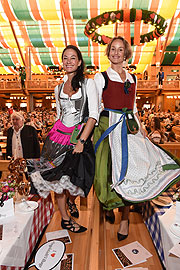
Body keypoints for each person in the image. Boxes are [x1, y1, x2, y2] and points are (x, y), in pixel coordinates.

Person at [93, 36, 180, 241]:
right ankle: (109, 206)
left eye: (120, 49)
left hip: (128, 126)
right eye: (112, 49)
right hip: (107, 126)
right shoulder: (101, 77)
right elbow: (96, 107)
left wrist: (141, 129)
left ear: (126, 54)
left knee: (131, 170)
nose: (116, 53)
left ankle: (125, 218)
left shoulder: (133, 79)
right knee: (105, 172)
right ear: (108, 53)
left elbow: (132, 107)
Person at [27, 45, 98, 233]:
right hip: (58, 138)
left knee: (77, 179)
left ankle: (69, 202)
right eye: (65, 57)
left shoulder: (88, 84)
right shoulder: (57, 87)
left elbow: (93, 115)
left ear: (80, 62)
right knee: (58, 180)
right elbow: (60, 115)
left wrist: (82, 141)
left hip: (79, 139)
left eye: (73, 58)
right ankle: (65, 219)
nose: (68, 61)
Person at [6, 111, 40, 194]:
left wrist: (37, 158)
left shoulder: (30, 129)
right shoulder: (10, 130)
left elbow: (36, 145)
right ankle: (18, 193)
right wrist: (8, 156)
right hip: (15, 159)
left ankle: (32, 194)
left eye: (17, 119)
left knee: (31, 178)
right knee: (17, 178)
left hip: (29, 158)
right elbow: (8, 145)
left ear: (22, 120)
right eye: (13, 119)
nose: (14, 121)